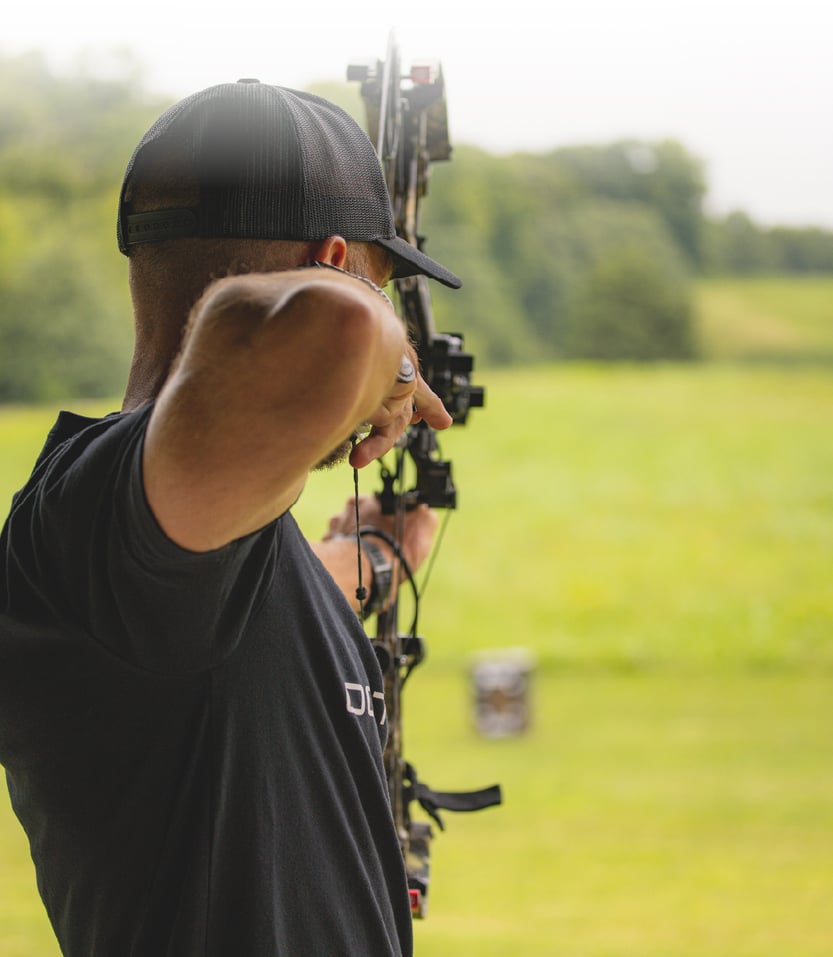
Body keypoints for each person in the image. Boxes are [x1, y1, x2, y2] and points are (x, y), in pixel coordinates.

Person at [0, 78, 461, 956]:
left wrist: (365, 561)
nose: (391, 323)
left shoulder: (165, 543)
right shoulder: (103, 516)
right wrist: (390, 364)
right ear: (333, 264)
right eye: (383, 285)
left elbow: (242, 643)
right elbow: (330, 333)